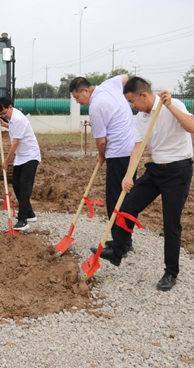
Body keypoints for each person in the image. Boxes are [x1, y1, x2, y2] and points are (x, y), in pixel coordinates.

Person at [97, 77, 194, 292]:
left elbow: (192, 127)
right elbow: (137, 148)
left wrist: (170, 107)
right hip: (155, 170)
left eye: (133, 102)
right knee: (128, 205)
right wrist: (128, 176)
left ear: (143, 95)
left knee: (171, 223)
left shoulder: (172, 104)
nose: (133, 106)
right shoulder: (141, 118)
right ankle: (118, 250)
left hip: (178, 172)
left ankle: (171, 272)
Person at [70, 75, 136, 255]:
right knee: (127, 198)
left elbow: (101, 141)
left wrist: (101, 156)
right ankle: (125, 240)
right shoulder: (109, 85)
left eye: (77, 97)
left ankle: (119, 246)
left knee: (115, 199)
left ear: (85, 91)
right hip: (132, 151)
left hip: (118, 153)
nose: (78, 102)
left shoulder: (95, 106)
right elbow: (125, 77)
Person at [0, 97, 41, 231]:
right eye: (1, 114)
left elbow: (15, 143)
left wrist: (6, 161)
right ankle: (30, 213)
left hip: (30, 155)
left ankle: (23, 220)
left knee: (25, 187)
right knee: (16, 185)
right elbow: (14, 128)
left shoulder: (19, 118)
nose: (4, 116)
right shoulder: (12, 118)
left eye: (4, 113)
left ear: (10, 107)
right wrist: (4, 124)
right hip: (21, 156)